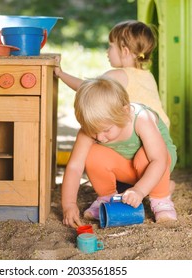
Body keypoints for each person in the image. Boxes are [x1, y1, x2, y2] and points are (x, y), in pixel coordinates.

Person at [61, 76, 177, 228]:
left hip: (158, 163)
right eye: (93, 132)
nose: (100, 137)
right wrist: (69, 204)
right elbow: (75, 167)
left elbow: (159, 160)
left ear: (125, 112)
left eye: (106, 130)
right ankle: (107, 198)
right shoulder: (93, 129)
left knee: (144, 157)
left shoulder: (141, 119)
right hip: (126, 168)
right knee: (93, 153)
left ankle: (161, 197)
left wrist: (139, 191)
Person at [54, 20, 170, 128]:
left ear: (125, 51)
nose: (107, 51)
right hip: (161, 130)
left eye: (111, 46)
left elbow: (85, 87)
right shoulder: (148, 75)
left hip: (140, 133)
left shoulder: (118, 75)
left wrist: (60, 73)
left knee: (87, 134)